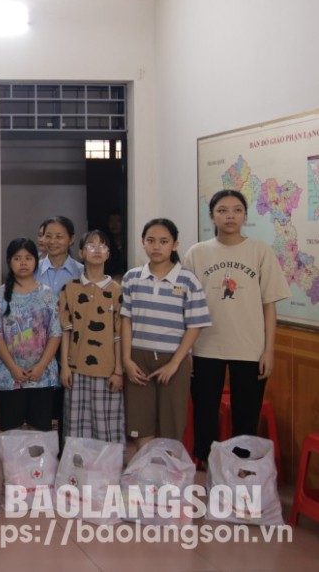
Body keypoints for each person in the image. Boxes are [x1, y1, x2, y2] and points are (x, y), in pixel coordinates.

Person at [183, 189, 290, 463]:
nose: (230, 215)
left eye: (236, 210)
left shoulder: (260, 251)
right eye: (222, 210)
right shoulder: (197, 253)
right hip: (205, 346)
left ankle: (241, 470)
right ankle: (206, 468)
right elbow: (185, 305)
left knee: (246, 416)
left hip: (250, 348)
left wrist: (269, 351)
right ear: (212, 216)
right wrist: (187, 351)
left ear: (244, 215)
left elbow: (269, 305)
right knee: (205, 414)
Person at [121, 218, 211, 452]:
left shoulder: (188, 280)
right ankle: (147, 474)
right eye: (150, 241)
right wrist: (127, 361)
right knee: (140, 422)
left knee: (173, 423)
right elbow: (126, 320)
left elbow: (196, 325)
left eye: (163, 241)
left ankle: (169, 476)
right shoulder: (131, 278)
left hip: (174, 359)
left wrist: (175, 363)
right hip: (138, 358)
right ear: (143, 243)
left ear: (175, 244)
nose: (156, 246)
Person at [58, 230, 124, 443]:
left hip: (107, 370)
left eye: (102, 245)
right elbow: (66, 331)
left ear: (108, 254)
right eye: (91, 245)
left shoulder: (116, 290)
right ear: (80, 252)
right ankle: (78, 472)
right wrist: (65, 367)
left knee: (107, 427)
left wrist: (118, 370)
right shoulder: (70, 288)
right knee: (77, 427)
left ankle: (108, 472)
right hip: (77, 369)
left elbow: (119, 334)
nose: (97, 249)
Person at [0, 238, 62, 431]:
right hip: (9, 375)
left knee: (41, 433)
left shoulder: (48, 294)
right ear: (9, 261)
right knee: (10, 432)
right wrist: (13, 368)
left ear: (36, 261)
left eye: (28, 258)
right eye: (17, 258)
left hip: (42, 375)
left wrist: (40, 366)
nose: (23, 262)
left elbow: (55, 333)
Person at [36, 215, 83, 444]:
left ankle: (66, 451)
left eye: (59, 236)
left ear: (71, 239)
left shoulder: (81, 272)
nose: (52, 241)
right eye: (48, 236)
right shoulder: (31, 268)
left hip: (71, 345)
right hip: (38, 344)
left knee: (67, 400)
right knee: (42, 402)